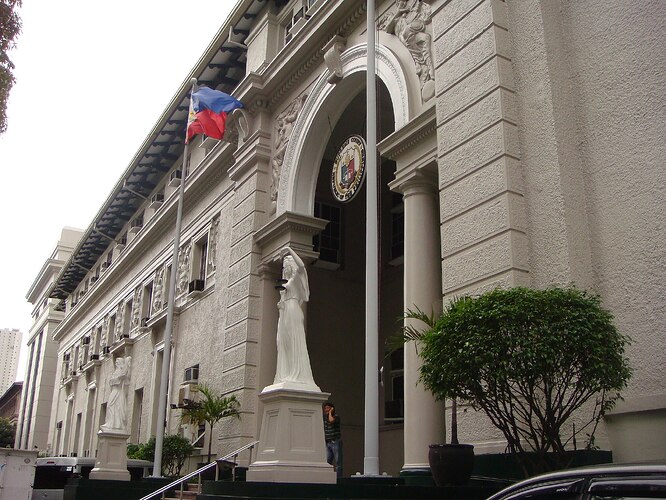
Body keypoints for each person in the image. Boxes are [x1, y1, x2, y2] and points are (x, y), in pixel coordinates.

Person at [273, 247, 317, 387]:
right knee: (283, 341)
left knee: (294, 340)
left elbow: (302, 266)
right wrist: (280, 306)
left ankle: (297, 374)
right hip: (285, 311)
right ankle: (286, 373)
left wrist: (289, 250)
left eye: (287, 266)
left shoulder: (296, 278)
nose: (285, 269)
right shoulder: (284, 283)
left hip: (293, 310)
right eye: (284, 267)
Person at [101, 356, 131, 432]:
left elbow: (124, 381)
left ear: (120, 363)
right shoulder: (116, 372)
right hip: (114, 391)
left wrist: (120, 378)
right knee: (110, 406)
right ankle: (111, 423)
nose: (116, 364)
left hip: (118, 391)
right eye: (115, 362)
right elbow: (111, 382)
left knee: (116, 407)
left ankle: (116, 424)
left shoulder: (121, 372)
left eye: (117, 363)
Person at [323, 401, 342, 478]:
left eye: (328, 408)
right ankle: (328, 477)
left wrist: (330, 412)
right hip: (328, 442)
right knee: (328, 461)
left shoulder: (336, 417)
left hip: (335, 441)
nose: (326, 410)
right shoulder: (324, 418)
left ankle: (338, 478)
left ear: (332, 409)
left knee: (338, 461)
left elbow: (331, 420)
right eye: (325, 408)